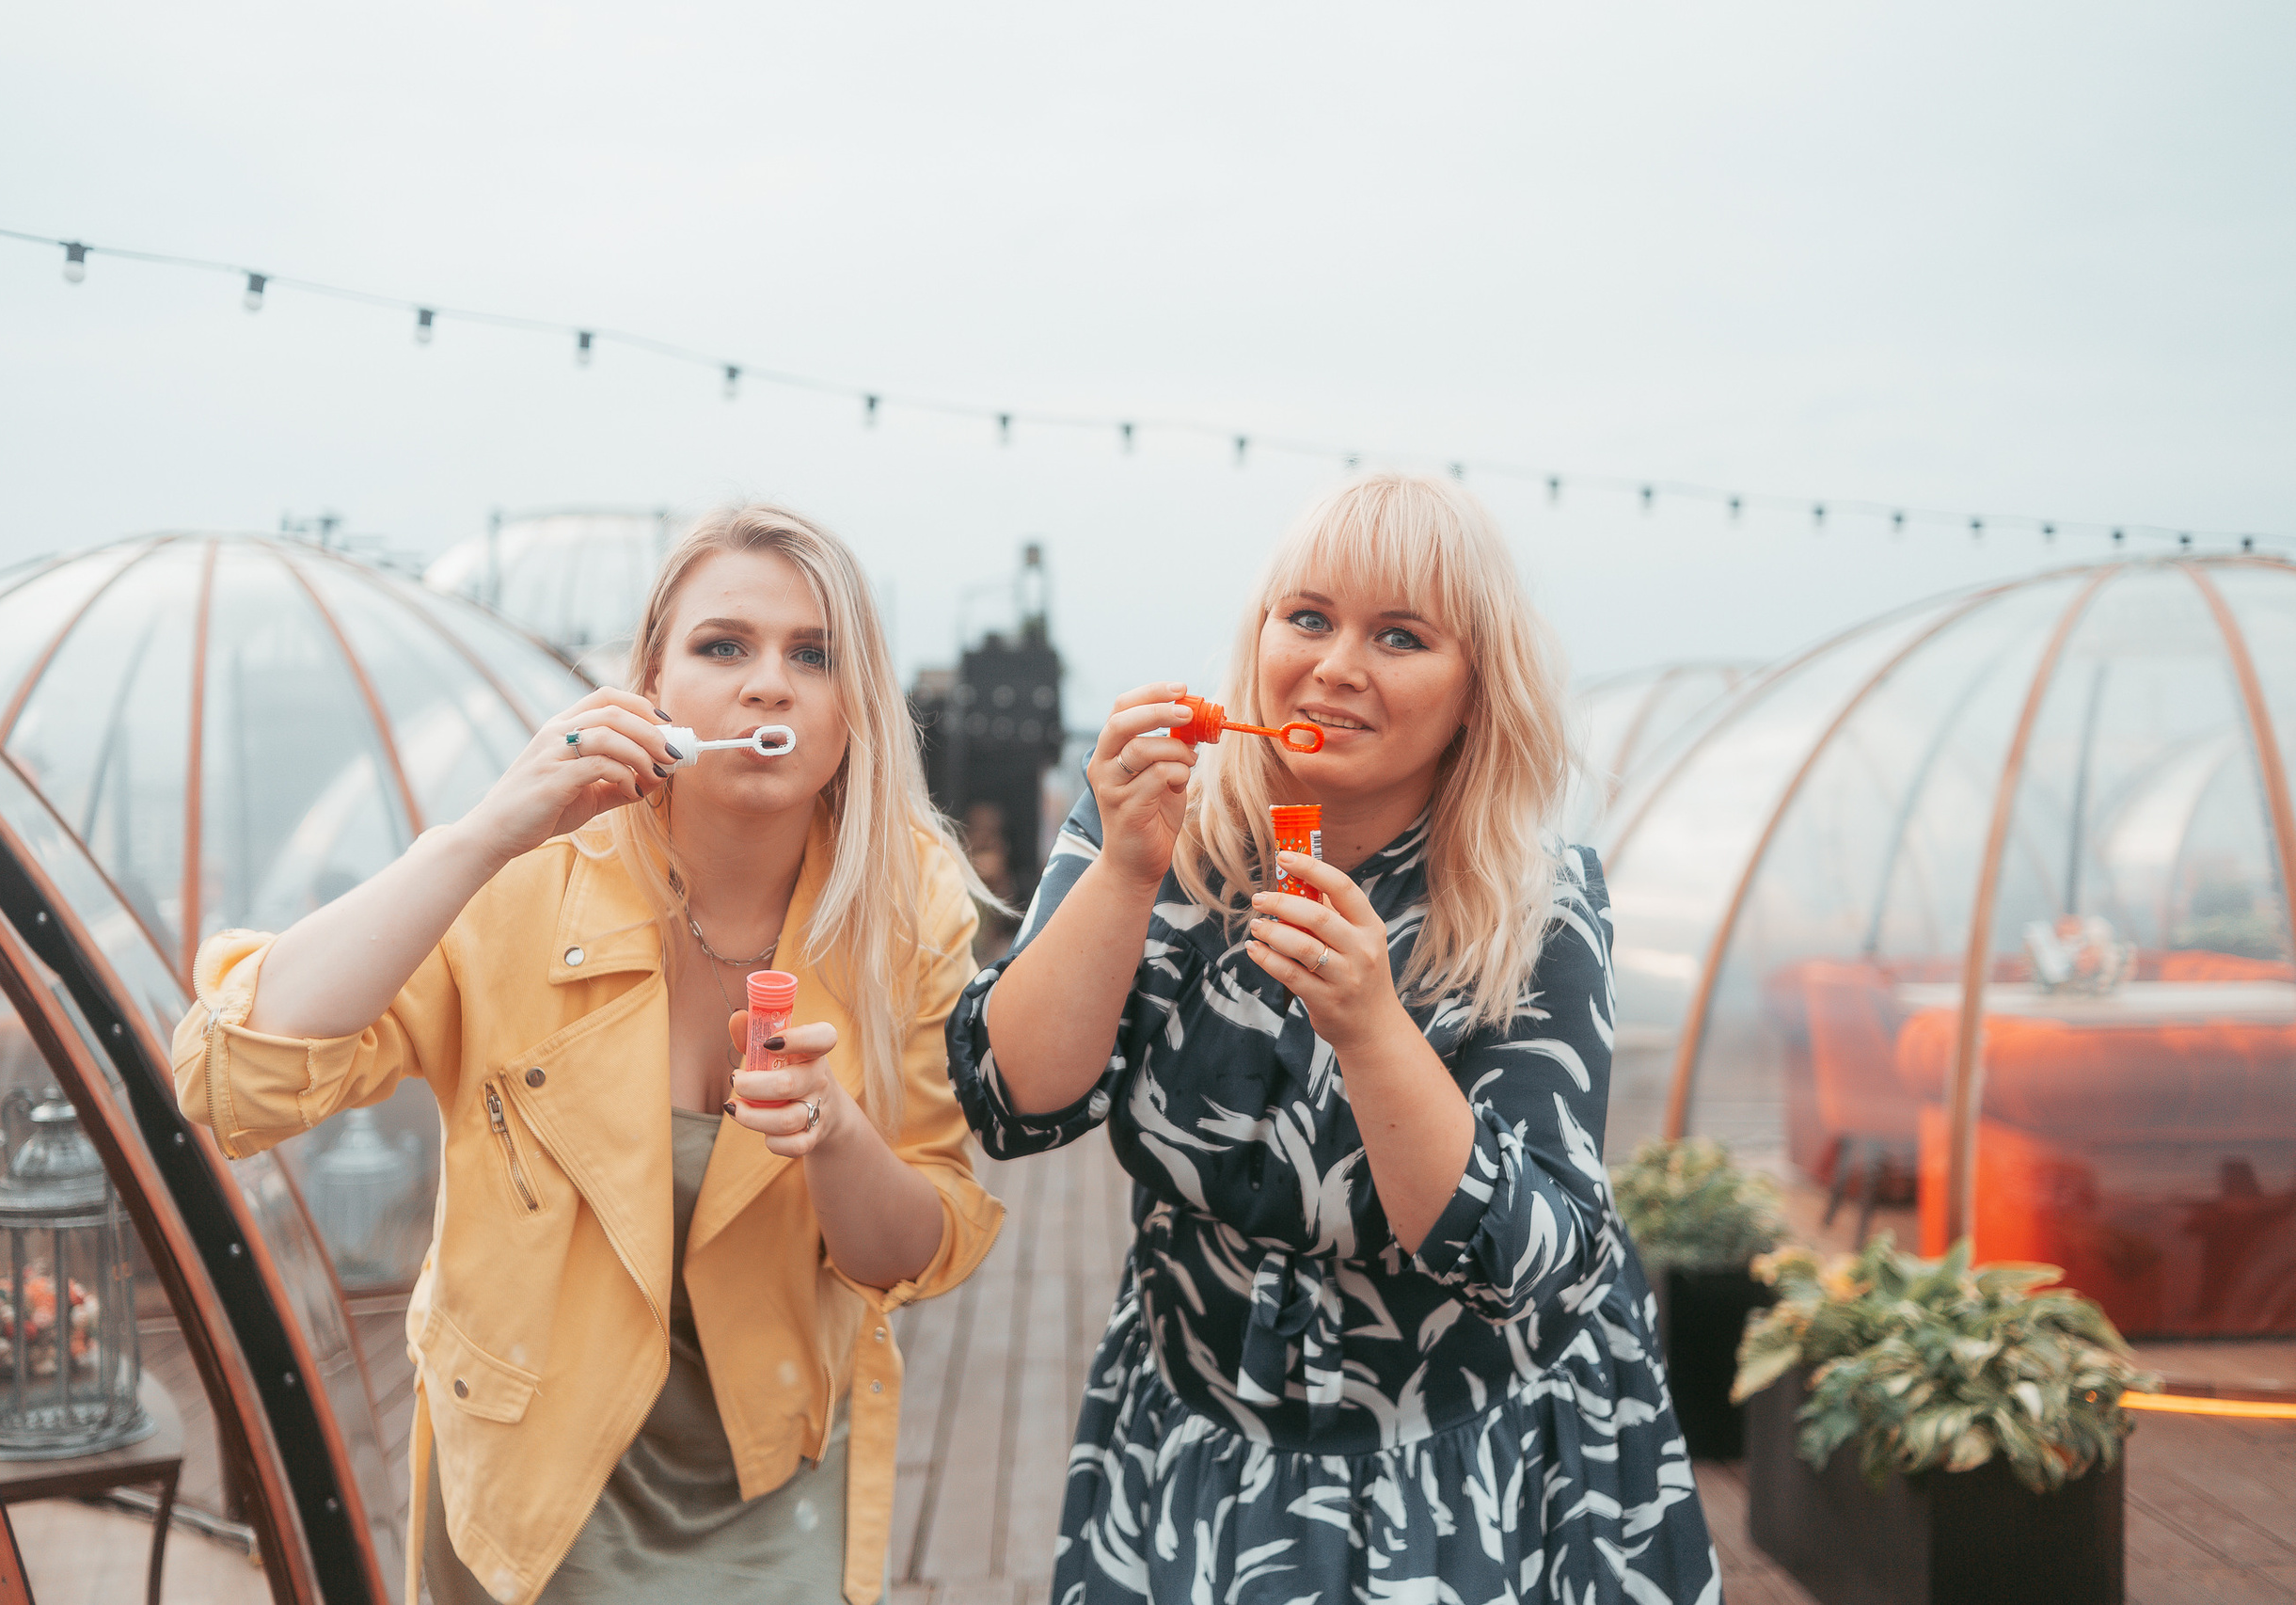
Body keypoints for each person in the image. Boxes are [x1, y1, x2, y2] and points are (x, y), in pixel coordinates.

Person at [174, 503, 1003, 1605]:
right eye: (724, 646)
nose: (769, 684)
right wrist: (479, 836)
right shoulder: (528, 869)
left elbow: (915, 1246)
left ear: (857, 709)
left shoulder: (907, 905)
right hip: (533, 1490)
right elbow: (236, 1078)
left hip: (774, 1481)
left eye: (814, 654)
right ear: (647, 685)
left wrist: (835, 1133)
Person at [949, 474, 1719, 1601]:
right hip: (1193, 1431)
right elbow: (1010, 1101)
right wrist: (1123, 864)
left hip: (1460, 1465)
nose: (1336, 664)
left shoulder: (1534, 903)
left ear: (1473, 691)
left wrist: (1368, 1025)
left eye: (1399, 634)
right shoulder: (1159, 825)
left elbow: (1529, 1259)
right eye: (1307, 617)